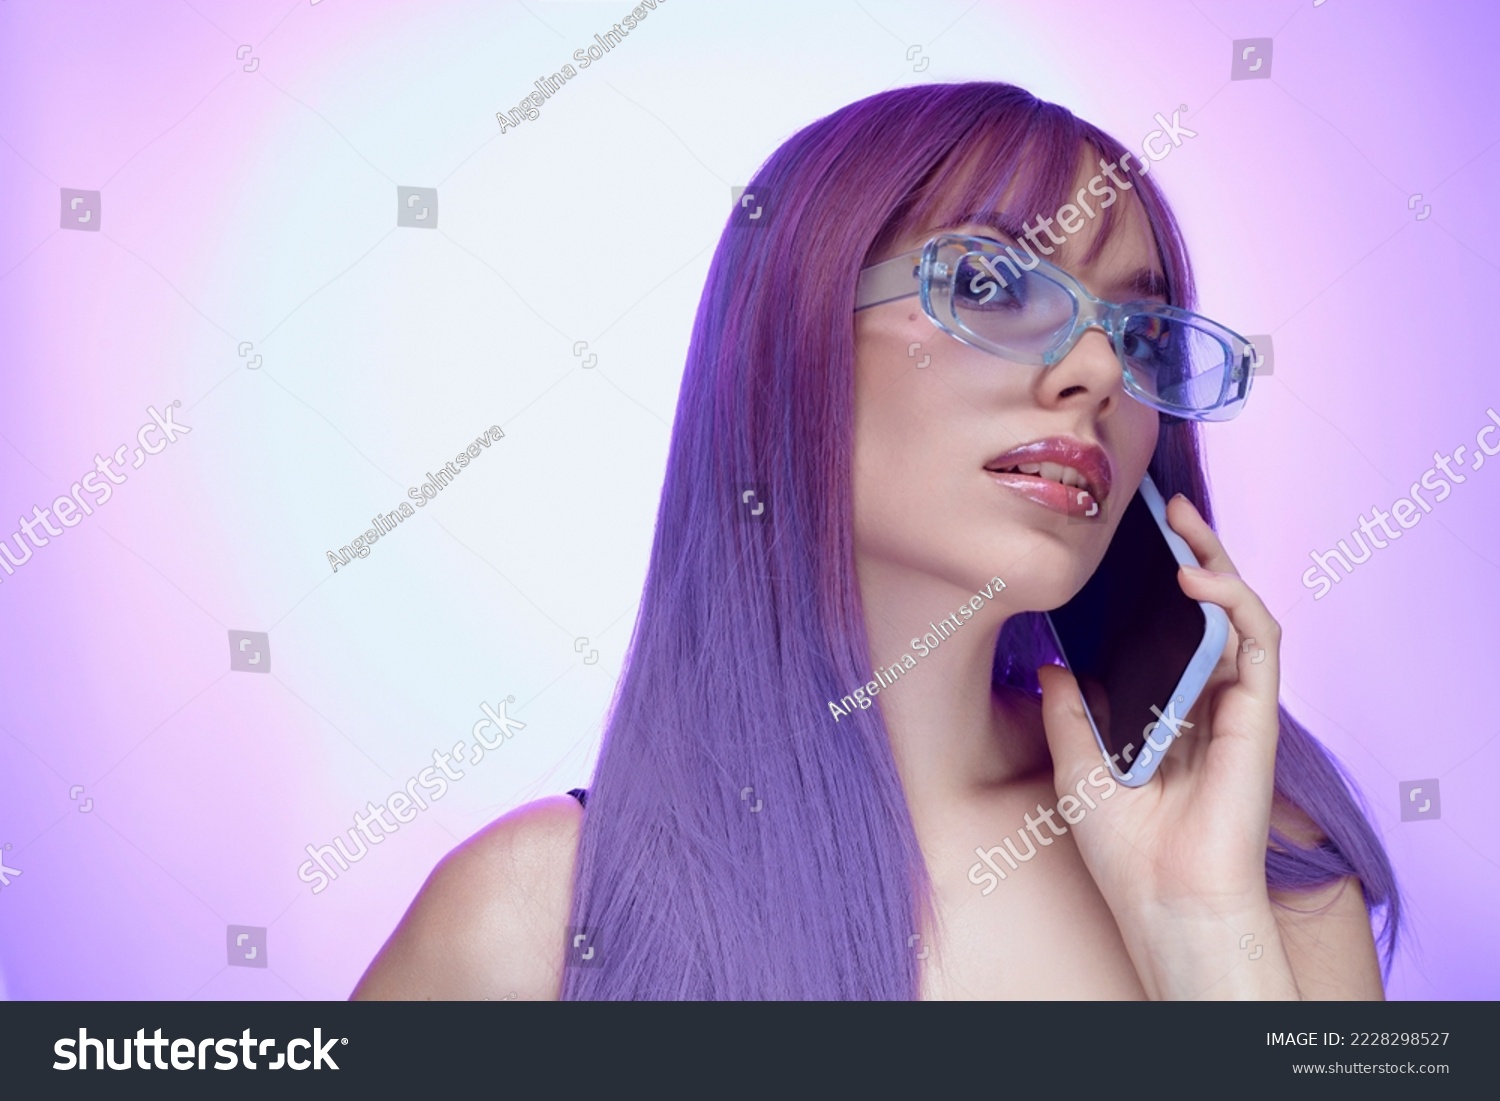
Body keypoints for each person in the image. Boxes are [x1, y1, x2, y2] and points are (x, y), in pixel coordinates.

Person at [354, 82, 1398, 1001]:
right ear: (793, 336)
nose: (1095, 371)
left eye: (1141, 333)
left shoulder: (1262, 861)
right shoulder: (532, 920)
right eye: (991, 285)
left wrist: (1203, 934)